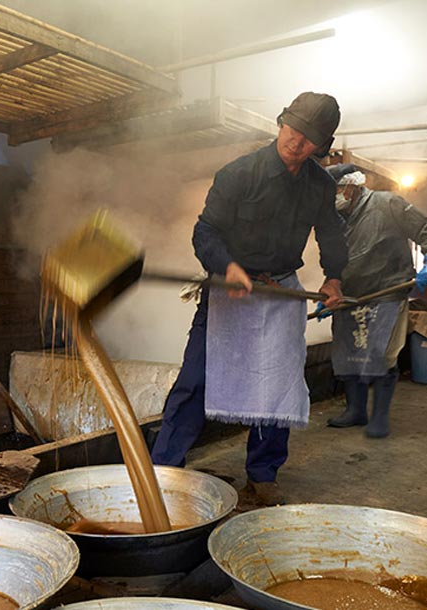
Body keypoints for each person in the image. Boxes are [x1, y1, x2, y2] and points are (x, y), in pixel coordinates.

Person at [150, 92, 348, 506]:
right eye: (293, 130)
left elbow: (331, 233)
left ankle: (262, 475)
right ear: (281, 123)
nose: (296, 142)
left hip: (279, 291)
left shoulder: (320, 185)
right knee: (195, 381)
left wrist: (334, 278)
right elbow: (205, 232)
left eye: (308, 138)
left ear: (321, 145)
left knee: (276, 386)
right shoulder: (239, 173)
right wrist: (227, 267)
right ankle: (164, 470)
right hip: (230, 291)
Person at [322, 164, 427, 438]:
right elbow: (333, 261)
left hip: (387, 291)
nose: (331, 197)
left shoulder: (387, 203)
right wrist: (330, 290)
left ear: (351, 187)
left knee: (380, 353)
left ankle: (379, 417)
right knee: (347, 353)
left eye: (335, 190)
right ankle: (356, 410)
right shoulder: (336, 219)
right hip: (350, 296)